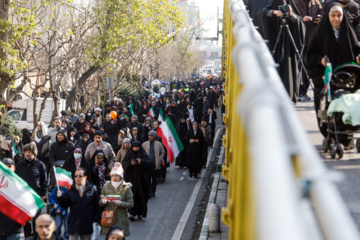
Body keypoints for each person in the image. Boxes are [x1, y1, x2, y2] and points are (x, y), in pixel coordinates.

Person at [305, 2, 360, 137]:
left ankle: (348, 132)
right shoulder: (321, 34)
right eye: (333, 15)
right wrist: (321, 60)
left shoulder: (347, 32)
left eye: (339, 16)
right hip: (328, 78)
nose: (336, 19)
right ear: (327, 16)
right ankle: (330, 134)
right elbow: (310, 55)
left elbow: (355, 49)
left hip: (346, 77)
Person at [257, 0, 306, 102]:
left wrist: (291, 16)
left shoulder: (291, 5)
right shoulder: (270, 4)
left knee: (289, 67)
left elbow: (300, 24)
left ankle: (289, 93)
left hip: (288, 46)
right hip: (274, 43)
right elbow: (261, 13)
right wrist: (274, 13)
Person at [57, 168, 100, 240]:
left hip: (87, 223)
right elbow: (64, 205)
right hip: (73, 223)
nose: (77, 178)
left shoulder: (92, 188)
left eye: (80, 176)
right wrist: (60, 197)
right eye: (76, 176)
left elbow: (97, 207)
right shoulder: (70, 189)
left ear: (85, 177)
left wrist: (96, 221)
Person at [15, 143, 47, 239]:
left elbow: (44, 181)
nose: (27, 154)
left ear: (34, 153)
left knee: (36, 219)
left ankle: (36, 237)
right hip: (23, 197)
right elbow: (16, 180)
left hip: (37, 196)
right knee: (26, 218)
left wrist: (43, 196)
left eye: (29, 152)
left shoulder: (40, 165)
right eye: (25, 152)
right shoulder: (20, 165)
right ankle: (28, 236)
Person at [99, 163, 134, 236]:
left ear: (121, 176)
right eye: (113, 175)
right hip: (108, 219)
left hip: (121, 219)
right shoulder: (106, 186)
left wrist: (120, 203)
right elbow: (100, 202)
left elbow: (131, 204)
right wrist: (103, 201)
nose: (114, 177)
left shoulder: (126, 187)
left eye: (117, 175)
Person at [122, 141, 152, 221]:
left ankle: (140, 213)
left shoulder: (143, 154)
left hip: (142, 180)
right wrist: (130, 163)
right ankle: (132, 213)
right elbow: (123, 164)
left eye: (137, 147)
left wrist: (141, 161)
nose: (135, 149)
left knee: (141, 196)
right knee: (132, 196)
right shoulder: (129, 154)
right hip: (131, 180)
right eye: (134, 147)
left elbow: (150, 163)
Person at [0, 158, 22, 240]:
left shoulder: (20, 184)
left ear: (14, 168)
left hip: (14, 227)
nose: (7, 169)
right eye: (5, 167)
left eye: (9, 166)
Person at [142, 131, 165, 198]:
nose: (150, 136)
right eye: (149, 135)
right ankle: (149, 192)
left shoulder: (159, 144)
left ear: (154, 136)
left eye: (151, 135)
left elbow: (163, 152)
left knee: (154, 179)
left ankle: (153, 191)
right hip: (147, 165)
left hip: (155, 164)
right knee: (147, 179)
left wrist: (159, 158)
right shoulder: (144, 144)